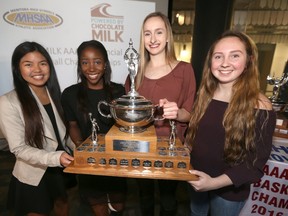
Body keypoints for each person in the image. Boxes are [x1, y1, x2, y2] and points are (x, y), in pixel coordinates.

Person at [185, 30, 276, 216]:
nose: (225, 63)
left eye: (234, 55)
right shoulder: (204, 96)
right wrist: (185, 150)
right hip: (195, 180)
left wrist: (213, 183)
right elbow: (196, 137)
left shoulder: (260, 105)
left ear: (248, 61)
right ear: (211, 62)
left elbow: (255, 163)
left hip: (229, 193)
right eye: (218, 56)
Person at [125, 12, 196, 215]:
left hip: (170, 148)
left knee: (167, 200)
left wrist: (177, 112)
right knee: (145, 198)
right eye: (147, 34)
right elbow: (131, 115)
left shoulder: (184, 70)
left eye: (158, 32)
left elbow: (190, 115)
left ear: (167, 37)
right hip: (141, 146)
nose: (153, 39)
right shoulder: (135, 72)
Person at [0, 41, 76, 216]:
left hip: (62, 166)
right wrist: (56, 157)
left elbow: (62, 134)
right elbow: (19, 149)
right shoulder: (8, 101)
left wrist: (80, 148)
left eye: (42, 63)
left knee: (63, 205)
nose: (37, 69)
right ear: (18, 69)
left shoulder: (56, 94)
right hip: (35, 172)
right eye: (28, 64)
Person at [61, 40, 126, 216]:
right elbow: (72, 123)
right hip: (90, 163)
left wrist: (119, 113)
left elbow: (125, 126)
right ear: (80, 65)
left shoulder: (119, 91)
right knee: (100, 209)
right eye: (85, 62)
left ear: (105, 65)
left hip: (115, 159)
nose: (91, 68)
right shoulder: (69, 94)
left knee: (118, 206)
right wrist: (82, 146)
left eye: (97, 62)